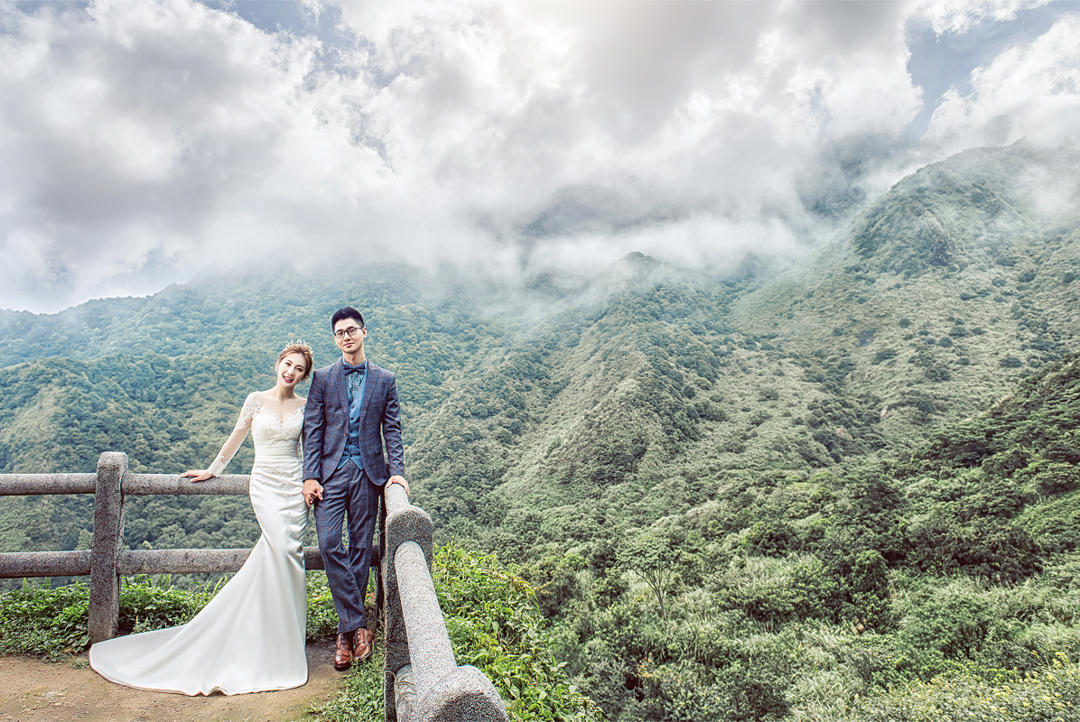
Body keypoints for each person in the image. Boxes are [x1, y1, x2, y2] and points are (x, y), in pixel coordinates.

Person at [89, 342, 314, 695]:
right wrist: (213, 470)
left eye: (298, 369)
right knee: (281, 548)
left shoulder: (305, 405)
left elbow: (310, 448)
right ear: (278, 364)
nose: (291, 372)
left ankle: (283, 638)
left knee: (290, 556)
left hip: (294, 486)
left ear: (304, 375)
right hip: (266, 484)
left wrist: (311, 482)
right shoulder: (255, 400)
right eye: (287, 364)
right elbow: (236, 437)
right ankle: (266, 639)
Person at [302, 306, 408, 671]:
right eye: (339, 333)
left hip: (368, 475)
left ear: (364, 332)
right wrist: (309, 477)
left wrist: (399, 472)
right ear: (335, 339)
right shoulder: (323, 378)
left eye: (351, 330)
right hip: (330, 475)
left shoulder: (385, 379)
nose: (346, 336)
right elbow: (312, 430)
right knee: (330, 543)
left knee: (361, 549)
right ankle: (357, 625)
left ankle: (345, 636)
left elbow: (391, 429)